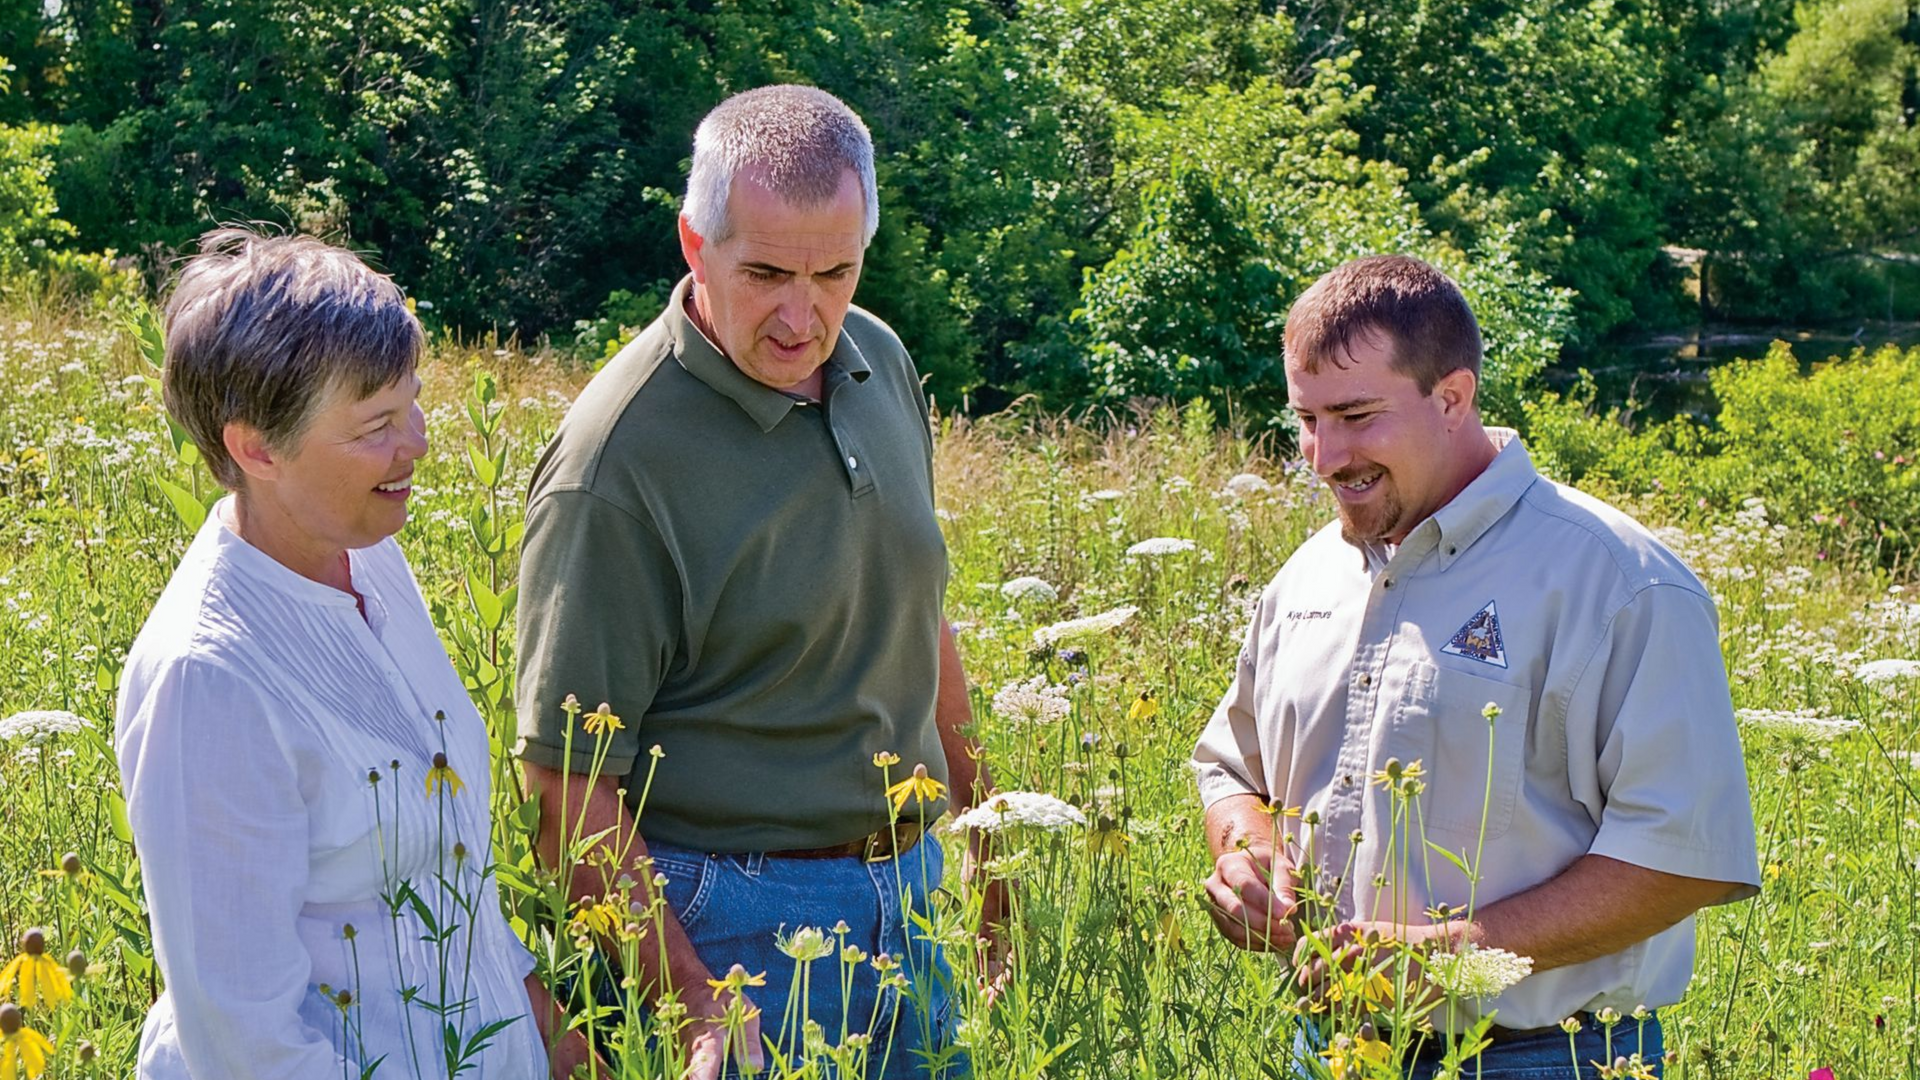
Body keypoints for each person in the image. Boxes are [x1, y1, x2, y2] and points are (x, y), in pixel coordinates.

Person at [513, 85, 992, 1079]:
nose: (802, 314)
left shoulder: (881, 359)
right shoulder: (616, 462)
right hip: (731, 926)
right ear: (695, 245)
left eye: (835, 272)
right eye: (766, 272)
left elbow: (917, 613)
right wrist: (694, 1005)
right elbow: (563, 788)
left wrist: (990, 853)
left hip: (911, 892)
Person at [1191, 255, 1762, 1076]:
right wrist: (1246, 858)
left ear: (1452, 397)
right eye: (1307, 420)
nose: (1322, 456)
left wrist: (1444, 956)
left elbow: (1682, 859)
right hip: (1324, 1046)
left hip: (1545, 1056)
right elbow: (1230, 768)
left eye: (1356, 416)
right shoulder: (1309, 576)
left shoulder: (1619, 582)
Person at [115, 230, 592, 1080]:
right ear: (256, 448)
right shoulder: (208, 678)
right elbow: (244, 1042)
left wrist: (558, 1045)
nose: (416, 440)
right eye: (376, 424)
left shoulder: (367, 549)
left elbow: (451, 875)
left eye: (412, 402)